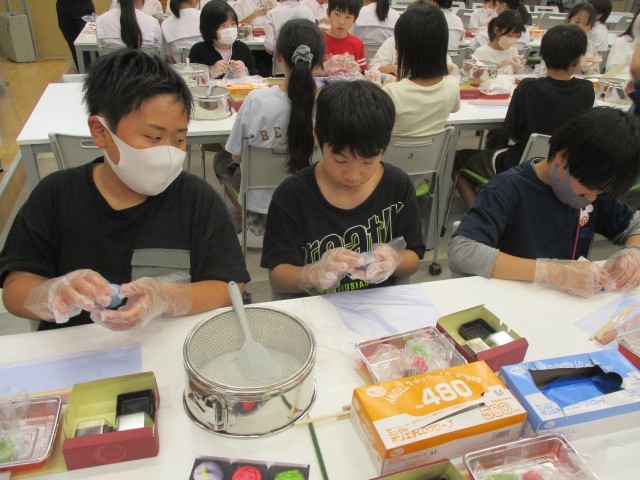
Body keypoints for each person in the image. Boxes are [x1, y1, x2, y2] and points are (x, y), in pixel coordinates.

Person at [0, 50, 250, 331]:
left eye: (179, 139)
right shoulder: (56, 196)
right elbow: (15, 289)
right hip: (76, 347)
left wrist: (169, 297)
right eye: (153, 137)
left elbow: (228, 286)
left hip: (164, 343)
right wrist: (50, 293)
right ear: (101, 131)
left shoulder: (197, 200)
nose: (168, 153)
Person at [448, 107, 640, 298]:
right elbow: (462, 251)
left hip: (563, 302)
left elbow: (636, 224)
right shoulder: (508, 189)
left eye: (599, 193)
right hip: (511, 300)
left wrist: (633, 253)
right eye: (586, 190)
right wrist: (552, 272)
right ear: (563, 157)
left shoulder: (593, 189)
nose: (591, 199)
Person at [261, 80, 425, 295]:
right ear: (317, 137)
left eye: (368, 162)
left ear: (383, 148)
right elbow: (278, 278)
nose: (353, 175)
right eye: (340, 160)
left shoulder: (397, 185)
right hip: (315, 307)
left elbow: (413, 258)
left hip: (379, 303)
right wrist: (312, 273)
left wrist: (394, 260)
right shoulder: (292, 195)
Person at [454, 24, 595, 208]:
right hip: (563, 168)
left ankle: (480, 213)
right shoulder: (586, 90)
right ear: (577, 60)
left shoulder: (529, 87)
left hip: (521, 164)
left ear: (542, 55)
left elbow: (513, 135)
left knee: (456, 159)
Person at [224, 19, 325, 247]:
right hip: (312, 210)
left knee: (223, 162)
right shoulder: (330, 103)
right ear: (320, 62)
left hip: (261, 214)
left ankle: (249, 232)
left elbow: (237, 157)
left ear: (278, 57)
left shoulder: (257, 101)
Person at [378, 4, 460, 137]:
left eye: (398, 43)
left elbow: (375, 126)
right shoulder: (452, 86)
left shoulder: (392, 92)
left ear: (408, 49)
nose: (396, 49)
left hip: (392, 151)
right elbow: (455, 109)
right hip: (434, 151)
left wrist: (377, 91)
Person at [189, 0, 258, 79]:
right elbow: (191, 80)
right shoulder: (199, 50)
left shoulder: (243, 48)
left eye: (233, 24)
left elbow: (255, 78)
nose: (230, 29)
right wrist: (210, 72)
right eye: (223, 25)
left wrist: (244, 73)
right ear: (209, 28)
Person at [97, 0, 165, 56]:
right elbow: (161, 56)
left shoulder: (101, 20)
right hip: (145, 68)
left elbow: (101, 52)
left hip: (113, 68)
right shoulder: (153, 22)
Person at [323, 0, 366, 72]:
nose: (341, 22)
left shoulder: (357, 44)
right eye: (337, 14)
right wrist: (326, 65)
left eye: (348, 17)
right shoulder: (316, 39)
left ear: (355, 18)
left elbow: (363, 73)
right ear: (328, 13)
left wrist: (357, 70)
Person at [56, 0, 96, 70]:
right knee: (73, 42)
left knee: (88, 38)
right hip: (62, 4)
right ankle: (82, 69)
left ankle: (94, 70)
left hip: (82, 4)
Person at [566, 3, 602, 74]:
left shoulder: (590, 45)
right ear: (568, 21)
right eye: (577, 22)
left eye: (586, 24)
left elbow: (596, 72)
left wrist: (587, 68)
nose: (580, 27)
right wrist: (576, 66)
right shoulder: (558, 42)